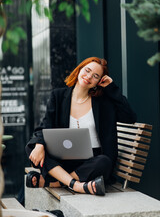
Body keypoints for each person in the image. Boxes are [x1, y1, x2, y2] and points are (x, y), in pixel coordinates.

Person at [25, 57, 136, 196]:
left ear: (98, 82)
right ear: (79, 70)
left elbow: (130, 117)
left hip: (91, 162)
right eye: (87, 70)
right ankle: (77, 185)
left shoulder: (104, 103)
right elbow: (45, 125)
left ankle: (57, 182)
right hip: (63, 159)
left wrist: (111, 88)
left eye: (95, 76)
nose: (89, 76)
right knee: (32, 146)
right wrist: (39, 145)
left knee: (104, 162)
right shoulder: (58, 96)